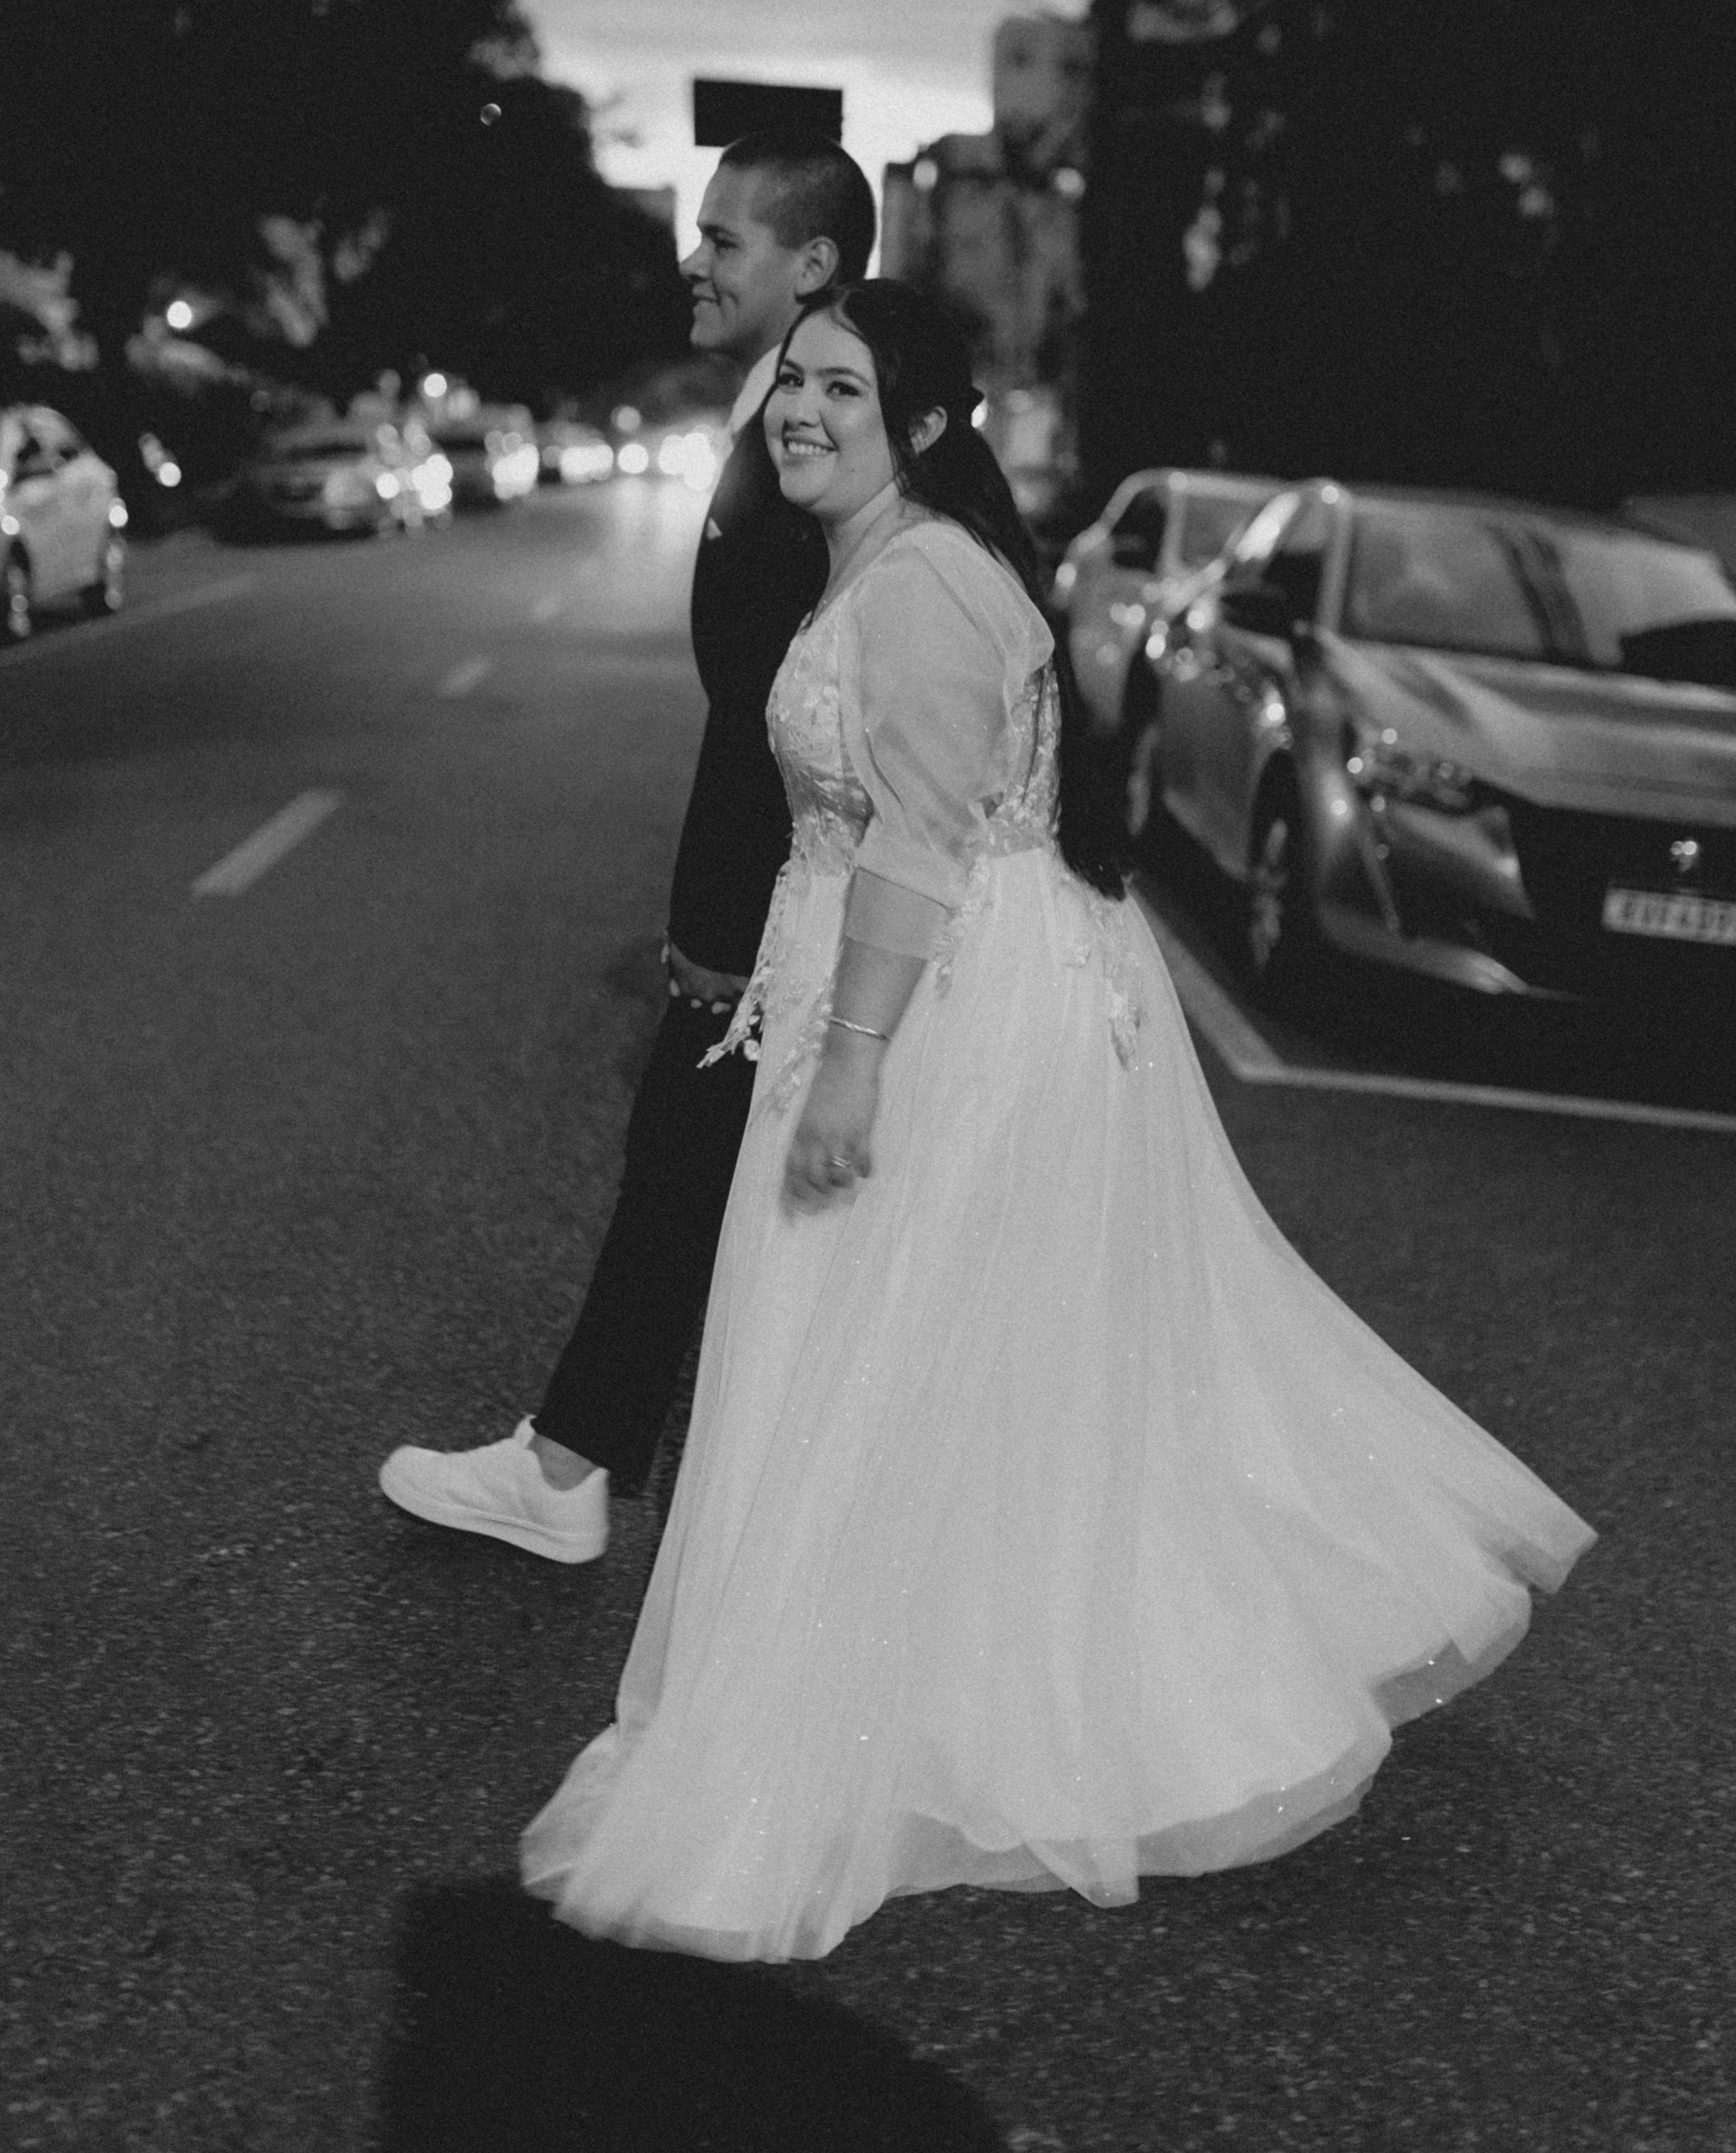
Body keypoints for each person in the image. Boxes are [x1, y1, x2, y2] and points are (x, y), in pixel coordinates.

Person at [520, 281, 1594, 1964]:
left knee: (864, 1357)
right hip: (915, 989)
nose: (798, 408)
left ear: (927, 424)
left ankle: (872, 1724)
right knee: (914, 1365)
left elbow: (919, 848)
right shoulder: (884, 556)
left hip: (944, 1013)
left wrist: (858, 1060)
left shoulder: (932, 581)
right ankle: (902, 1678)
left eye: (842, 389)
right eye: (789, 381)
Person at [379, 133, 875, 1561]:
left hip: (787, 899)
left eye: (726, 239)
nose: (696, 261)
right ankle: (576, 1461)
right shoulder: (801, 401)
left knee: (719, 1177)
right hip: (784, 891)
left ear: (815, 264)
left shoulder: (823, 421)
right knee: (697, 1178)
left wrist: (725, 932)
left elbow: (787, 710)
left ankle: (597, 1469)